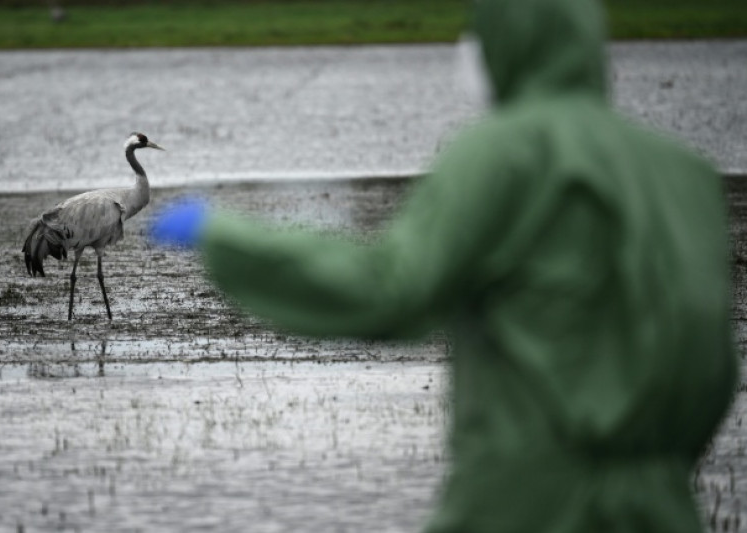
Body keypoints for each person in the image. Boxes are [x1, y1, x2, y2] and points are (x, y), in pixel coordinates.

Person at [149, 0, 737, 530]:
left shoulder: (502, 153)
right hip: (660, 505)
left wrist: (229, 237)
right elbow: (711, 361)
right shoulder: (683, 173)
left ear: (508, 39)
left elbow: (391, 286)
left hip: (526, 500)